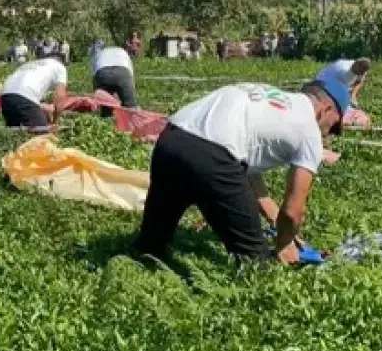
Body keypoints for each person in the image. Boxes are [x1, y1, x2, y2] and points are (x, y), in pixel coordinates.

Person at [131, 81, 350, 266]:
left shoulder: (262, 93)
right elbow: (293, 211)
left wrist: (275, 218)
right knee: (255, 264)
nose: (329, 134)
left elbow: (246, 166)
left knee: (150, 250)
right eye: (334, 127)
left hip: (171, 141)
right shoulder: (309, 130)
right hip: (213, 159)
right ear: (326, 109)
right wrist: (284, 244)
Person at [0, 54, 68, 131]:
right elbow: (60, 97)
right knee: (43, 137)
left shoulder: (31, 65)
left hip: (5, 97)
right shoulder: (59, 66)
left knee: (18, 134)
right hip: (24, 95)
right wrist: (55, 122)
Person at [92, 46, 137, 116]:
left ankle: (105, 122)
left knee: (105, 105)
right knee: (130, 107)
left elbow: (95, 75)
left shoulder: (100, 53)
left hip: (103, 72)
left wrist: (97, 93)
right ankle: (131, 123)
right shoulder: (123, 52)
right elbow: (131, 75)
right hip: (123, 72)